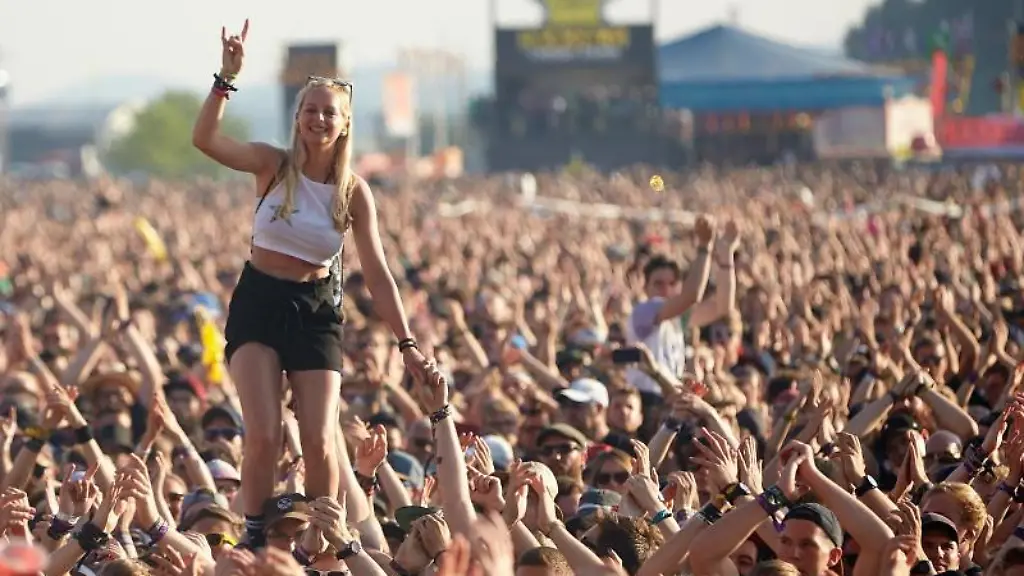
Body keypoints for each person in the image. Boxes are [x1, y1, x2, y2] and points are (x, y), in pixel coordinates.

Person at [191, 20, 438, 548]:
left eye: (329, 112)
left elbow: (376, 271)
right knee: (262, 434)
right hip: (259, 300)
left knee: (320, 440)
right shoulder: (272, 165)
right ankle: (256, 537)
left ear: (344, 123)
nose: (318, 119)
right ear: (297, 118)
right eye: (310, 110)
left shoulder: (354, 192)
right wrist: (226, 78)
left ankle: (323, 542)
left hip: (316, 309)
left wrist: (407, 344)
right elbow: (205, 140)